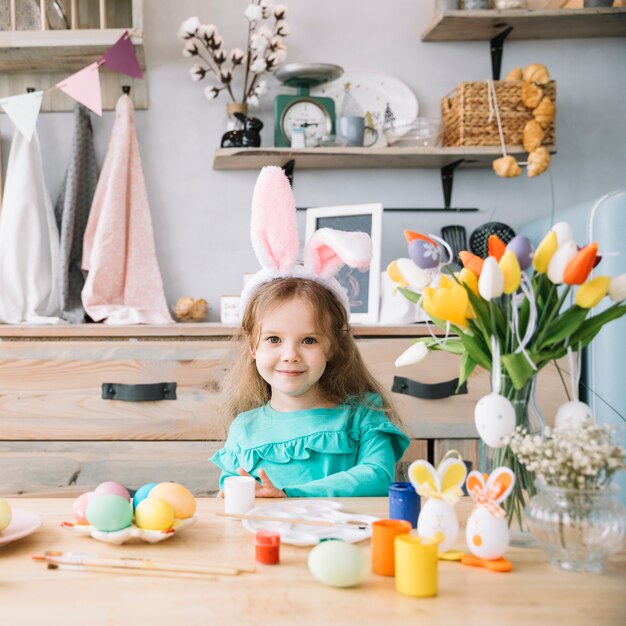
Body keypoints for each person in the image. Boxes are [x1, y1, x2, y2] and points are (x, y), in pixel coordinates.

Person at [210, 166, 410, 497]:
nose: (290, 354)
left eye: (309, 340)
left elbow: (377, 477)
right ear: (253, 346)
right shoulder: (244, 431)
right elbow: (233, 500)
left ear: (333, 346)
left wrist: (291, 494)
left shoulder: (362, 417)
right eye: (274, 339)